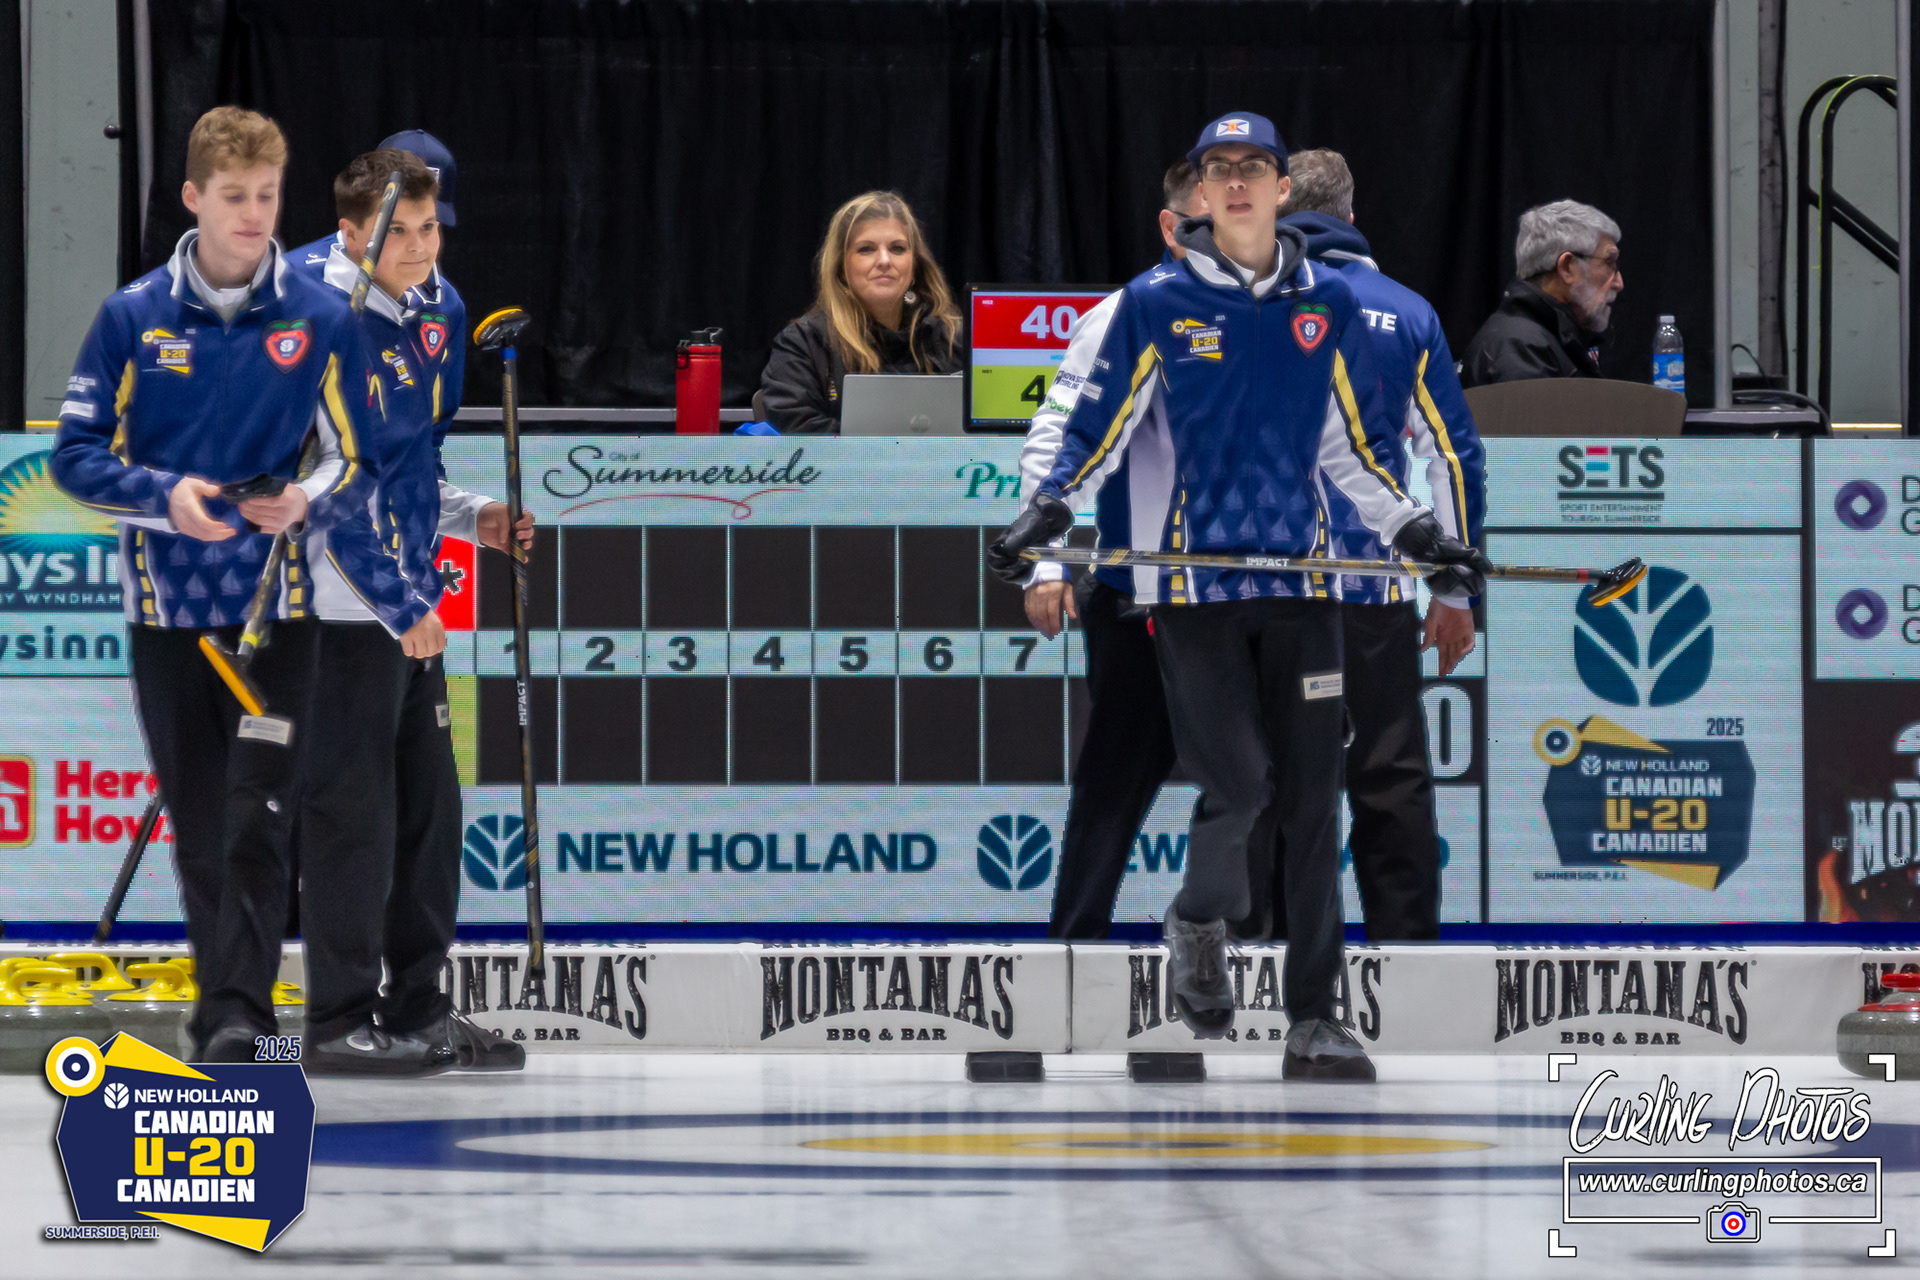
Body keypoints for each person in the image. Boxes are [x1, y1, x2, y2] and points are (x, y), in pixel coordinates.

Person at [990, 112, 1487, 1080]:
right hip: (1191, 591)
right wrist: (1047, 525)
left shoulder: (1328, 304)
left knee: (1312, 801)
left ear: (1279, 188)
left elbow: (1350, 447)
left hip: (1303, 586)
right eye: (1218, 170)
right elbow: (1088, 430)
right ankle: (1194, 921)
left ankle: (1314, 1018)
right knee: (1239, 785)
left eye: (1252, 167)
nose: (1235, 183)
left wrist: (1412, 532)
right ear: (1203, 195)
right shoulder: (1154, 302)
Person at [49, 106, 378, 1061]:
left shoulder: (322, 318)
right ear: (194, 197)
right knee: (201, 819)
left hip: (278, 612)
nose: (253, 214)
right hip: (170, 613)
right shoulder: (132, 316)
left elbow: (359, 459)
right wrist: (165, 498)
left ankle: (240, 1015)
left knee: (259, 810)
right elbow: (73, 457)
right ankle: (232, 1003)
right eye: (234, 195)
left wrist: (305, 498)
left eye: (268, 195)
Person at [288, 147, 531, 1075]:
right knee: (351, 816)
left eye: (432, 229)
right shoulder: (311, 311)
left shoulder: (439, 306)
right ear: (352, 234)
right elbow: (329, 482)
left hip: (406, 601)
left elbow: (413, 461)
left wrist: (477, 518)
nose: (422, 248)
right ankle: (337, 1021)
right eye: (401, 233)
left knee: (431, 812)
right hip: (332, 606)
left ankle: (419, 1007)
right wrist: (397, 603)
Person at [1253, 148, 1486, 943]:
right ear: (1352, 217)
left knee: (1269, 781)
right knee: (1388, 778)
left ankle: (1265, 967)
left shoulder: (1238, 301)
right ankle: (1410, 962)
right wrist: (1454, 590)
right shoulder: (1408, 312)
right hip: (1372, 591)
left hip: (1263, 592)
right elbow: (1452, 458)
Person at [1026, 161, 1197, 939]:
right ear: (1171, 226)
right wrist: (1048, 559)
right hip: (1141, 592)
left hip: (1242, 594)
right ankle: (1073, 946)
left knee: (1263, 781)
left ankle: (1264, 952)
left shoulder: (1271, 310)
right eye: (1206, 218)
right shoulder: (1124, 312)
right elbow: (1056, 440)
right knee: (1114, 780)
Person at [759, 191, 963, 433]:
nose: (885, 260)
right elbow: (798, 429)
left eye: (897, 249)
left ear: (914, 267)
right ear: (840, 267)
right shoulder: (803, 343)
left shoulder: (954, 338)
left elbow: (990, 427)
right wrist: (889, 450)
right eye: (866, 249)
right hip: (842, 461)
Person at [1460, 200, 1624, 386]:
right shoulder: (1521, 351)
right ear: (1567, 267)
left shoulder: (1537, 341)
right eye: (1609, 263)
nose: (1619, 283)